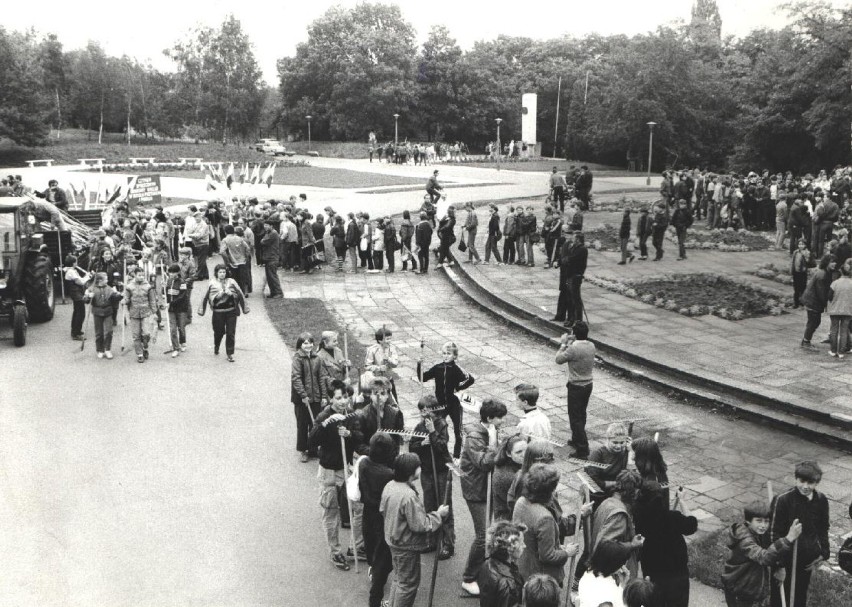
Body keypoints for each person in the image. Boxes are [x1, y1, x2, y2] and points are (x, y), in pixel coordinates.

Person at [380, 453, 451, 607]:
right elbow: (421, 525)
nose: (421, 468)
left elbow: (382, 510)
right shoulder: (409, 496)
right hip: (406, 545)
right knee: (408, 585)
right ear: (411, 472)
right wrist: (438, 515)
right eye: (418, 466)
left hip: (393, 539)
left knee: (399, 578)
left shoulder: (390, 485)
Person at [308, 380, 358, 572]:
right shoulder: (324, 415)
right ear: (330, 399)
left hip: (345, 468)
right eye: (338, 398)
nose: (343, 402)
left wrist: (349, 434)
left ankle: (356, 546)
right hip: (329, 470)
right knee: (330, 511)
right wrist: (325, 424)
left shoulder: (350, 415)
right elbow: (311, 440)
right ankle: (335, 551)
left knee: (355, 506)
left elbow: (358, 437)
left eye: (345, 397)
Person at [460, 398, 508, 597]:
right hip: (476, 490)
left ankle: (482, 569)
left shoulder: (490, 431)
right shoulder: (475, 437)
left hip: (486, 487)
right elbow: (483, 462)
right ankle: (468, 578)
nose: (502, 421)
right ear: (489, 418)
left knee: (489, 532)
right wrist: (495, 446)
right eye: (500, 418)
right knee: (483, 536)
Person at [769, 461, 830, 607]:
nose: (805, 486)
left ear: (817, 482)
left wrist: (823, 553)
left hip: (806, 562)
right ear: (796, 479)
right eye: (802, 481)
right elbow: (772, 534)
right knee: (780, 600)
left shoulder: (821, 500)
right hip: (786, 560)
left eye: (811, 482)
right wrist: (778, 566)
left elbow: (823, 528)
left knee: (799, 599)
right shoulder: (782, 500)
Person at [513, 463, 582, 587]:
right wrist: (567, 552)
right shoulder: (545, 518)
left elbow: (533, 539)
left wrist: (560, 547)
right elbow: (548, 556)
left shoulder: (521, 501)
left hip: (524, 565)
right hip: (542, 578)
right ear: (548, 491)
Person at [721, 501, 801, 607]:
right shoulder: (745, 541)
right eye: (759, 521)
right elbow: (764, 557)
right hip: (739, 592)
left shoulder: (756, 532)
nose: (763, 525)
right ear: (748, 521)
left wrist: (779, 566)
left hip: (748, 587)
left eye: (766, 521)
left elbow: (772, 551)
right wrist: (788, 539)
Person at [633, 487, 698, 607]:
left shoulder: (639, 520)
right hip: (677, 575)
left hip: (653, 575)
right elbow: (692, 524)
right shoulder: (672, 517)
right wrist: (682, 500)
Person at [409, 394, 455, 559]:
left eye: (426, 410)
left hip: (441, 471)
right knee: (429, 506)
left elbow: (442, 447)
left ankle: (448, 544)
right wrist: (421, 444)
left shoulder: (441, 425)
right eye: (420, 410)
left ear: (434, 411)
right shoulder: (419, 426)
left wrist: (432, 432)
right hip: (427, 471)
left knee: (444, 506)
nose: (423, 413)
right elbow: (412, 447)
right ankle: (432, 541)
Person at [418, 340, 475, 458]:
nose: (445, 356)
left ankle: (457, 455)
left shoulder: (456, 369)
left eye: (448, 354)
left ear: (454, 356)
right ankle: (440, 451)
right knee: (438, 428)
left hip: (454, 404)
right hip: (440, 405)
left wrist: (459, 388)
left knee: (457, 430)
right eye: (444, 353)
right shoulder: (437, 368)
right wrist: (419, 365)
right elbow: (422, 378)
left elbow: (470, 379)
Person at [360, 433, 396, 607]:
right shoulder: (388, 473)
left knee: (371, 543)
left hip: (368, 511)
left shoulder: (364, 464)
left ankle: (372, 568)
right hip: (382, 515)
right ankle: (376, 592)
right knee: (383, 554)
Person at [588, 470, 645, 579]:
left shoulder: (607, 501)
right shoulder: (619, 514)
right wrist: (632, 545)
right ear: (634, 491)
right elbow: (604, 547)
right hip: (610, 575)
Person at [555, 322, 595, 458]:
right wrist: (574, 339)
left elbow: (558, 359)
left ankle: (583, 449)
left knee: (575, 418)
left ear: (574, 333)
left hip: (576, 386)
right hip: (588, 384)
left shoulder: (572, 349)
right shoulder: (591, 345)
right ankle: (576, 439)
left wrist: (563, 343)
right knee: (581, 414)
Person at [198, 263, 248, 363]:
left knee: (230, 333)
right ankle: (217, 345)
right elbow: (205, 297)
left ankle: (230, 353)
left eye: (224, 272)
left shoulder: (231, 282)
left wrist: (233, 296)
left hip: (231, 311)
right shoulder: (212, 283)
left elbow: (240, 294)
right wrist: (217, 296)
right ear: (216, 273)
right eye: (220, 272)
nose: (222, 274)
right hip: (218, 312)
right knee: (219, 332)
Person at [290, 332, 328, 463]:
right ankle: (303, 450)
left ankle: (313, 449)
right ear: (300, 345)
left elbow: (321, 377)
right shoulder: (297, 359)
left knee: (315, 423)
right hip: (302, 399)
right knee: (302, 424)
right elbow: (296, 378)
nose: (308, 345)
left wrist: (323, 396)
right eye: (305, 343)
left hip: (316, 397)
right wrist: (303, 395)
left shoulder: (317, 358)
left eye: (310, 342)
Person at [477, 520, 527, 607]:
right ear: (511, 548)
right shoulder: (508, 585)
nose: (524, 545)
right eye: (522, 542)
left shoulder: (487, 563)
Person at [355, 377, 405, 458]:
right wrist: (374, 452)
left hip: (390, 459)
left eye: (383, 393)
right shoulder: (362, 416)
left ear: (388, 395)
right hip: (371, 459)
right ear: (370, 394)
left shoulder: (395, 413)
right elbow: (358, 445)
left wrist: (394, 454)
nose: (379, 397)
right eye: (375, 393)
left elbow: (397, 439)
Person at [585, 423, 631, 504]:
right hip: (598, 494)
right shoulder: (597, 454)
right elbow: (594, 481)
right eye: (615, 442)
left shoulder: (625, 452)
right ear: (608, 439)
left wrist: (631, 451)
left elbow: (630, 473)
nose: (619, 446)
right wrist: (617, 483)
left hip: (616, 491)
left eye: (622, 442)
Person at [576, 540, 630, 607]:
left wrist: (623, 584)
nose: (623, 566)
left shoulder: (588, 574)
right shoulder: (608, 591)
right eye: (622, 564)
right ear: (613, 565)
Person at [124, 266, 158, 363]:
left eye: (143, 275)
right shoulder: (129, 286)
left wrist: (154, 312)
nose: (142, 277)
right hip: (134, 313)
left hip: (145, 312)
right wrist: (125, 300)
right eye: (139, 275)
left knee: (146, 333)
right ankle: (139, 354)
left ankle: (145, 347)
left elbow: (152, 300)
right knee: (136, 335)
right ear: (134, 275)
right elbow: (127, 299)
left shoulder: (148, 286)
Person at [800, 255, 835, 349]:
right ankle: (806, 342)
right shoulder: (822, 275)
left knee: (813, 321)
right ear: (826, 262)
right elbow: (821, 292)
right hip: (813, 301)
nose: (834, 264)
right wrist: (827, 304)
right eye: (832, 262)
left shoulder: (825, 272)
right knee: (814, 322)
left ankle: (805, 340)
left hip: (813, 300)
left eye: (835, 261)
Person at [85, 271, 122, 359]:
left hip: (108, 311)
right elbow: (85, 300)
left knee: (109, 331)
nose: (107, 280)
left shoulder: (109, 288)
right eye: (106, 279)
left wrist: (120, 295)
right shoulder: (91, 289)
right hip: (97, 312)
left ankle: (107, 349)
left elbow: (115, 298)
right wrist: (88, 297)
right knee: (99, 333)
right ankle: (100, 350)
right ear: (100, 280)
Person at [493, 435, 527, 521]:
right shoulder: (509, 476)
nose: (524, 455)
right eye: (519, 452)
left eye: (526, 450)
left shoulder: (507, 463)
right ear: (508, 453)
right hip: (509, 520)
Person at [632, 436, 670, 506]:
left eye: (635, 454)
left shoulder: (651, 481)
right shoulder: (657, 470)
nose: (633, 458)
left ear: (642, 458)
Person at [365, 327, 401, 401]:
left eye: (390, 338)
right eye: (387, 339)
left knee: (393, 401)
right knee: (378, 401)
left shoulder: (392, 348)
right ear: (380, 340)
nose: (389, 341)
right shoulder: (372, 350)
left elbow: (395, 363)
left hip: (388, 379)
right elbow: (367, 366)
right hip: (376, 380)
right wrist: (379, 368)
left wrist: (389, 359)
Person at [826, 261, 852, 357]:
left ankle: (833, 350)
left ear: (841, 271)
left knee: (834, 330)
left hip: (835, 309)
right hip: (848, 310)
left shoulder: (835, 283)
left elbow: (829, 296)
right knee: (844, 331)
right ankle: (841, 352)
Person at [562, 233, 588, 327]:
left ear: (578, 239)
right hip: (570, 275)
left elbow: (571, 259)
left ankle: (578, 320)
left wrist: (565, 259)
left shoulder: (582, 249)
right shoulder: (575, 248)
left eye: (574, 238)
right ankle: (571, 318)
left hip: (576, 276)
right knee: (570, 298)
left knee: (575, 299)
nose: (572, 239)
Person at [164, 263, 189, 357]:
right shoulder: (168, 281)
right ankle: (176, 348)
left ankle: (183, 342)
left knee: (181, 328)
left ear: (177, 272)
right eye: (170, 272)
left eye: (173, 272)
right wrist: (164, 289)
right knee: (173, 329)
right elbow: (167, 293)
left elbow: (182, 296)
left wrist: (170, 303)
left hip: (181, 308)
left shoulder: (182, 282)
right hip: (172, 309)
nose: (171, 274)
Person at [64, 255, 91, 341]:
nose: (77, 263)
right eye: (75, 262)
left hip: (76, 293)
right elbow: (81, 282)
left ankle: (75, 331)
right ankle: (76, 333)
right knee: (80, 313)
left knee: (76, 312)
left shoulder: (71, 270)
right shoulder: (71, 272)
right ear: (72, 263)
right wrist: (88, 276)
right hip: (76, 294)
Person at [219, 224, 251, 295]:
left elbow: (222, 252)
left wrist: (227, 261)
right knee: (242, 278)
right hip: (242, 261)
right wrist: (245, 257)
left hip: (232, 262)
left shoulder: (225, 240)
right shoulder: (239, 238)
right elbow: (248, 248)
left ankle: (235, 293)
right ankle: (244, 292)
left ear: (225, 232)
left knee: (233, 278)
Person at [260, 219, 283, 298]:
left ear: (271, 226)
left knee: (273, 276)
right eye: (264, 225)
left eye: (267, 225)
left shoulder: (273, 233)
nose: (265, 227)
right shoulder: (269, 232)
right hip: (269, 257)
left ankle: (278, 293)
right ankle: (273, 292)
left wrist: (262, 240)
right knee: (269, 277)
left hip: (272, 257)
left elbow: (263, 241)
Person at [791, 240, 814, 308]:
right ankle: (796, 303)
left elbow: (810, 263)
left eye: (802, 244)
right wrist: (792, 271)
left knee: (803, 287)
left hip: (803, 273)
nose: (800, 246)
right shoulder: (795, 252)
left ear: (805, 245)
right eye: (799, 244)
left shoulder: (807, 252)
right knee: (796, 288)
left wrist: (806, 256)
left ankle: (802, 302)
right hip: (796, 272)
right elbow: (793, 261)